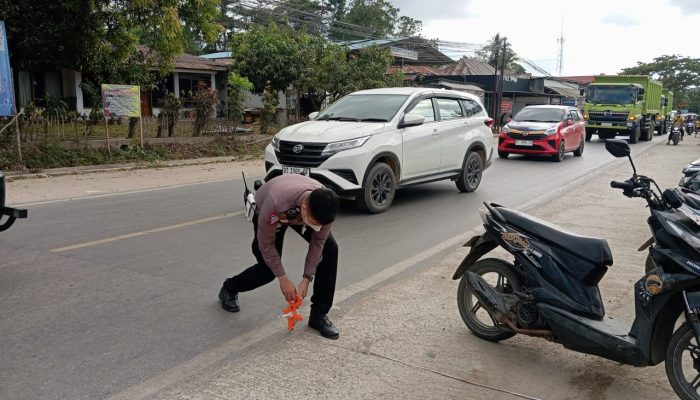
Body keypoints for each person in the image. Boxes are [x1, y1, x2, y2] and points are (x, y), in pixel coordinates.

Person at [219, 174, 341, 339]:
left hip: (298, 212)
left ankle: (318, 315)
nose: (317, 228)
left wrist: (307, 277)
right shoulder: (276, 203)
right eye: (314, 223)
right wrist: (283, 278)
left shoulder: (325, 209)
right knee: (267, 270)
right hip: (272, 212)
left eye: (321, 224)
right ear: (304, 208)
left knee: (330, 250)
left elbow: (318, 243)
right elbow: (266, 245)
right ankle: (229, 288)